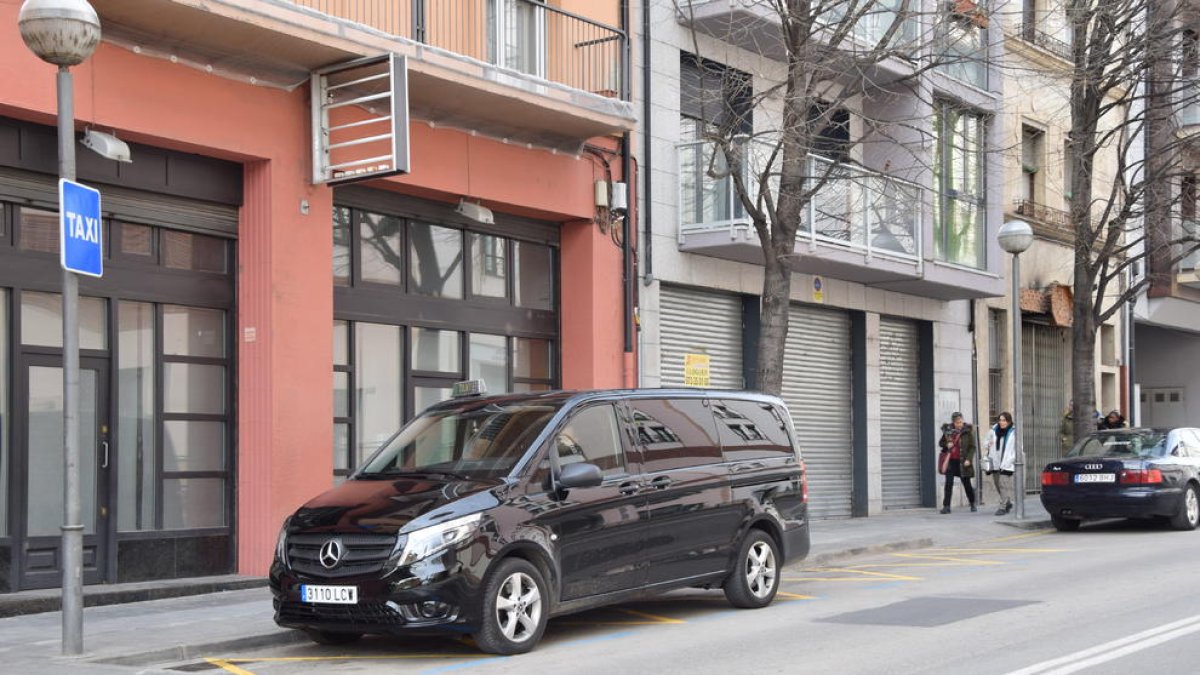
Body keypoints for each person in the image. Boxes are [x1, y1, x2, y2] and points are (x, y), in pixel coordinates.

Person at [938, 412, 977, 514]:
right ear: (953, 422)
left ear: (962, 421)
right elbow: (941, 443)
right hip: (951, 461)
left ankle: (972, 502)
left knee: (966, 484)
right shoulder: (948, 431)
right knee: (948, 484)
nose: (959, 424)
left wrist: (969, 459)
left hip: (963, 462)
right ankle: (946, 506)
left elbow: (972, 447)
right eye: (956, 422)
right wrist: (947, 444)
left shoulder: (968, 431)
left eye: (960, 422)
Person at [984, 412, 1016, 516]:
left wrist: (1011, 460)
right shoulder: (993, 430)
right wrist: (988, 444)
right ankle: (1008, 502)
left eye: (1004, 420)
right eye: (1000, 420)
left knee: (1002, 484)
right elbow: (985, 441)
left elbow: (1018, 449)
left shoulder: (1013, 432)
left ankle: (1002, 507)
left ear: (1009, 421)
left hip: (1006, 462)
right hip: (996, 462)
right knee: (997, 484)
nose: (1002, 422)